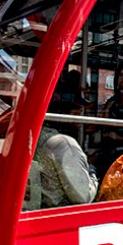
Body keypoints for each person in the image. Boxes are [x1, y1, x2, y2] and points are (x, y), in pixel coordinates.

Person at [24, 72, 99, 209]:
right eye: (76, 108)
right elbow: (83, 196)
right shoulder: (63, 144)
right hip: (58, 213)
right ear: (62, 111)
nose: (81, 113)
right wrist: (92, 170)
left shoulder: (38, 134)